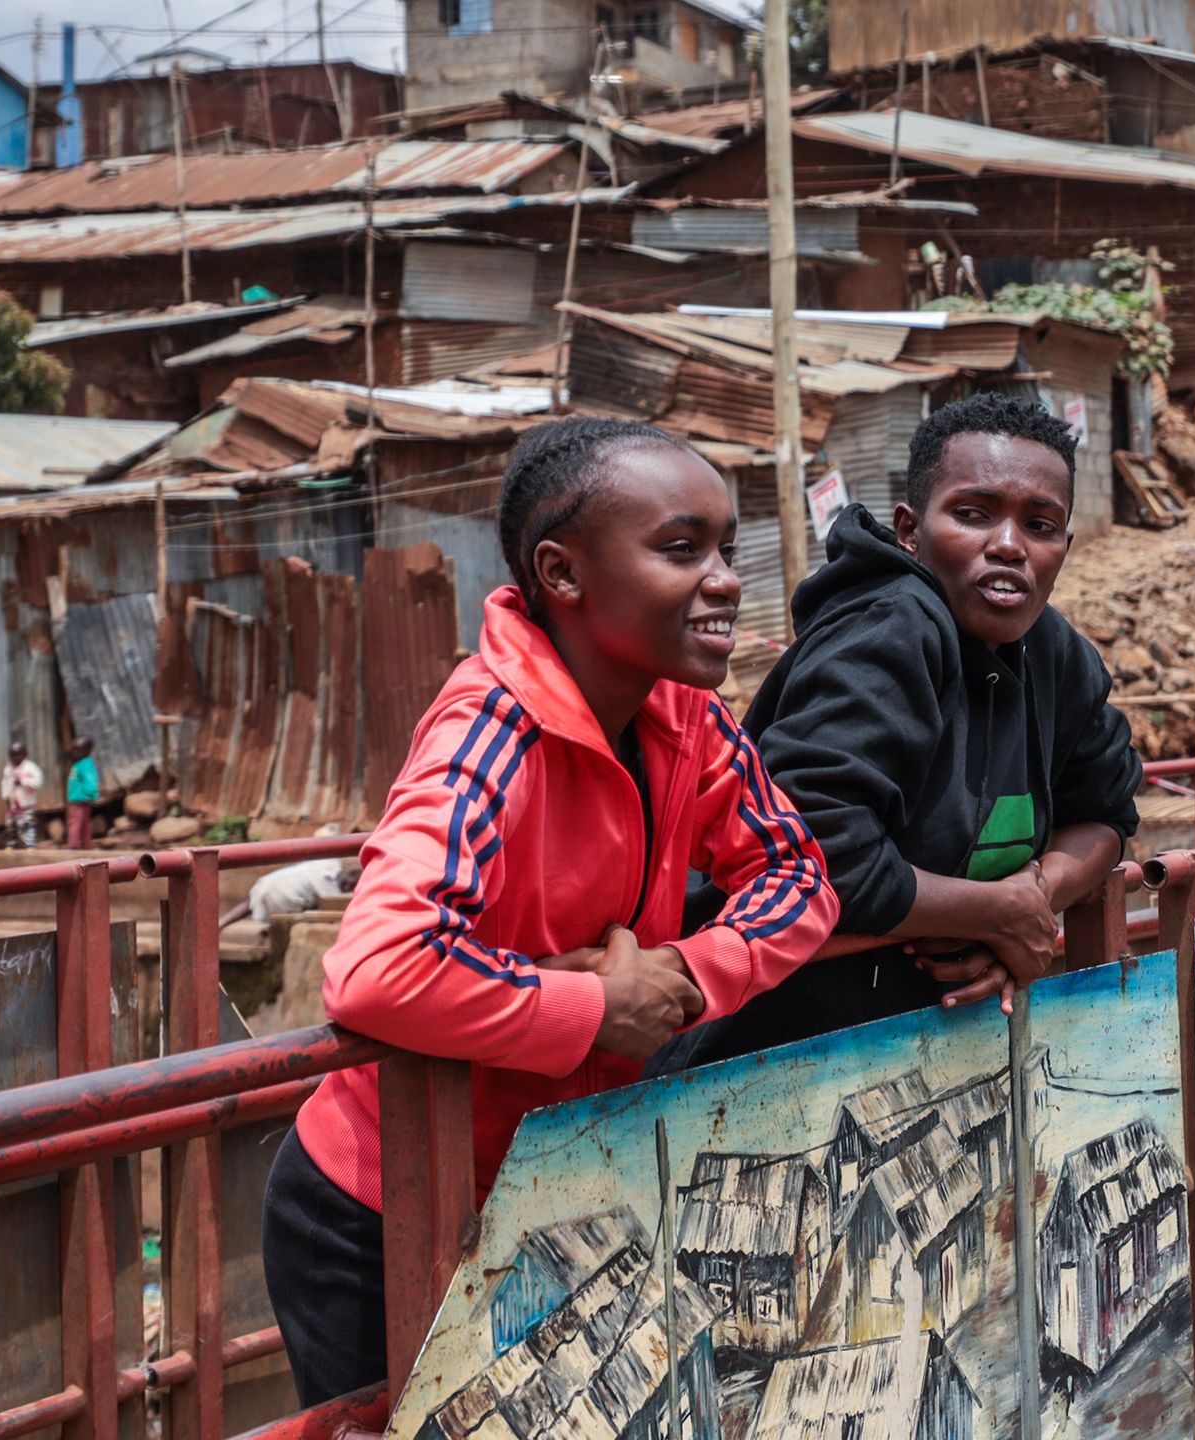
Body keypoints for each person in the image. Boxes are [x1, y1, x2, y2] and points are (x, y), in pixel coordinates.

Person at [259, 417, 837, 1407]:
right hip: (383, 1206)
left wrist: (687, 979)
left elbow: (797, 879)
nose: (725, 579)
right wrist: (588, 1011)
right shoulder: (489, 729)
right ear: (561, 574)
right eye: (678, 548)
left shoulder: (685, 715)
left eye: (726, 548)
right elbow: (380, 965)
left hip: (554, 1181)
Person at [647, 392, 1141, 1072]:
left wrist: (1033, 897)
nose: (1008, 545)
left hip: (930, 1056)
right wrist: (990, 913)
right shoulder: (888, 631)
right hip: (768, 1060)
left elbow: (1107, 809)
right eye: (972, 514)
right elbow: (814, 850)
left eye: (1040, 524)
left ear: (1065, 545)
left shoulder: (1055, 654)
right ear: (910, 530)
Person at [221, 857, 353, 928]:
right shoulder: (329, 890)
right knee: (313, 913)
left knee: (251, 902)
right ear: (348, 886)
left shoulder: (331, 862)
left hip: (268, 881)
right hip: (285, 897)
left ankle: (220, 924)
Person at [0, 740, 43, 849]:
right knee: (11, 825)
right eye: (12, 756)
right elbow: (4, 783)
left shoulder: (30, 767)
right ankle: (11, 845)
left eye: (17, 756)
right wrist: (5, 796)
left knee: (28, 825)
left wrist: (23, 782)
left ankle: (30, 846)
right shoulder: (8, 769)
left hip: (27, 804)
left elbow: (38, 782)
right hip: (13, 804)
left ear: (24, 754)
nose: (14, 759)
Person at [64, 736, 101, 849]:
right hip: (80, 799)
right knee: (83, 824)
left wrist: (91, 793)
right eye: (74, 749)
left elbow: (90, 780)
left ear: (87, 751)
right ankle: (85, 846)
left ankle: (73, 847)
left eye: (78, 750)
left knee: (75, 823)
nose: (74, 753)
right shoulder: (80, 763)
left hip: (79, 800)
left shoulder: (85, 763)